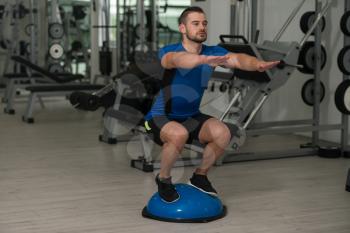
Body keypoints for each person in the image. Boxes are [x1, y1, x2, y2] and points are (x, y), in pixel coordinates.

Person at [143, 6, 279, 203]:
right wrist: (204, 60)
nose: (202, 27)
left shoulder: (213, 51)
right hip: (160, 117)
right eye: (195, 24)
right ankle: (163, 179)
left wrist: (257, 64)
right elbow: (179, 60)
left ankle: (200, 176)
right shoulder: (169, 51)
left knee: (223, 132)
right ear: (182, 28)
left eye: (204, 23)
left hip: (191, 115)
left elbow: (238, 59)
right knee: (179, 134)